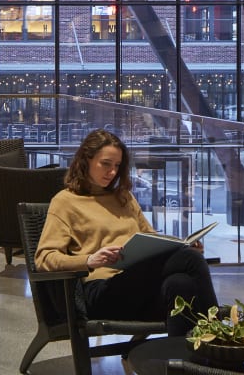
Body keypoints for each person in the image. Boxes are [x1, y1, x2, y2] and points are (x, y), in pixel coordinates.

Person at [35, 129, 218, 336]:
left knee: (181, 285)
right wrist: (89, 260)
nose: (112, 172)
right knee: (189, 260)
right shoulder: (65, 201)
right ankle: (221, 332)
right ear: (85, 160)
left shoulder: (124, 197)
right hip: (102, 291)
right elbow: (44, 258)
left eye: (117, 166)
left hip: (139, 287)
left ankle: (185, 362)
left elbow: (153, 240)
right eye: (105, 164)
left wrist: (182, 247)